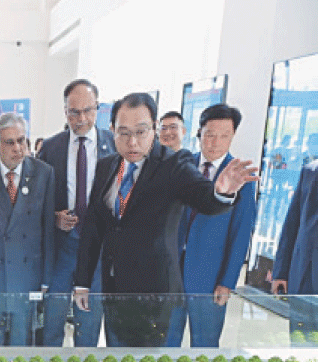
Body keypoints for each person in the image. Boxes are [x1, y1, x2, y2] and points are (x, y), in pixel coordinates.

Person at [73, 92, 257, 347]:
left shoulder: (174, 164)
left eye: (141, 132)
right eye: (124, 133)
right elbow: (94, 226)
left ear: (154, 128)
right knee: (118, 357)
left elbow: (203, 197)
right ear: (112, 129)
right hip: (115, 289)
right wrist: (83, 282)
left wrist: (221, 193)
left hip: (156, 293)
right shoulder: (107, 166)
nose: (132, 142)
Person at [169, 104, 256, 347]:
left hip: (210, 277)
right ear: (199, 133)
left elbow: (240, 235)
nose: (215, 142)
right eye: (209, 134)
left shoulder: (241, 178)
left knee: (205, 345)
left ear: (233, 136)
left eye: (224, 136)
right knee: (165, 340)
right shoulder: (181, 167)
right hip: (171, 273)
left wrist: (227, 282)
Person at [37, 78, 115, 347]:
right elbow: (37, 200)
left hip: (98, 250)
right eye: (74, 112)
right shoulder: (50, 148)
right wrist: (54, 217)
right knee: (52, 323)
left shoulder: (114, 146)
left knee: (89, 326)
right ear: (65, 111)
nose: (81, 119)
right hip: (62, 248)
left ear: (98, 108)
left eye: (87, 111)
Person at [0, 112, 55, 346]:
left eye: (21, 140)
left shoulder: (44, 174)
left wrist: (46, 279)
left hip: (27, 275)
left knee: (22, 343)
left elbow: (48, 231)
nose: (18, 148)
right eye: (10, 142)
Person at [272, 157, 318, 344]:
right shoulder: (310, 170)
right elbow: (292, 223)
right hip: (303, 275)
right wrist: (281, 272)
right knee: (301, 343)